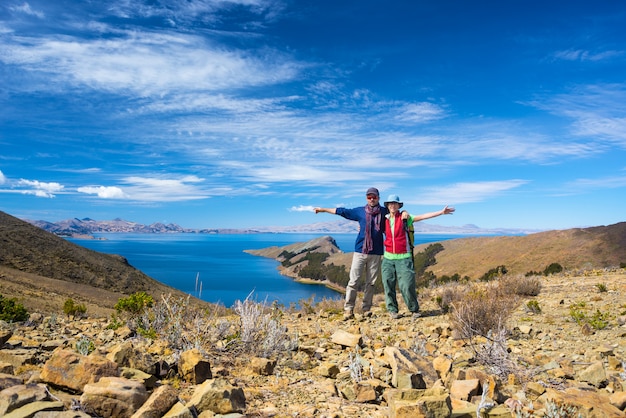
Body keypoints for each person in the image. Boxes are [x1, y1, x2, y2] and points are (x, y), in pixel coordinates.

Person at [314, 187, 387, 320]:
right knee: (353, 281)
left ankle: (366, 309)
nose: (371, 199)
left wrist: (404, 212)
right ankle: (348, 309)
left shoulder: (384, 211)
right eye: (369, 197)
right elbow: (342, 211)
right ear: (366, 198)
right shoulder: (360, 211)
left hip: (376, 253)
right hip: (360, 251)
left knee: (371, 283)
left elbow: (397, 214)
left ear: (378, 198)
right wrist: (323, 209)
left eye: (374, 197)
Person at [382, 194, 455, 319]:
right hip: (388, 258)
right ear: (387, 206)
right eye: (390, 203)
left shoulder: (406, 218)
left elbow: (423, 216)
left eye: (395, 203)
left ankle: (414, 309)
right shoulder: (385, 219)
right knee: (388, 284)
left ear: (399, 205)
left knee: (407, 285)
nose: (392, 205)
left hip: (404, 257)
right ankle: (392, 310)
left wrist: (441, 212)